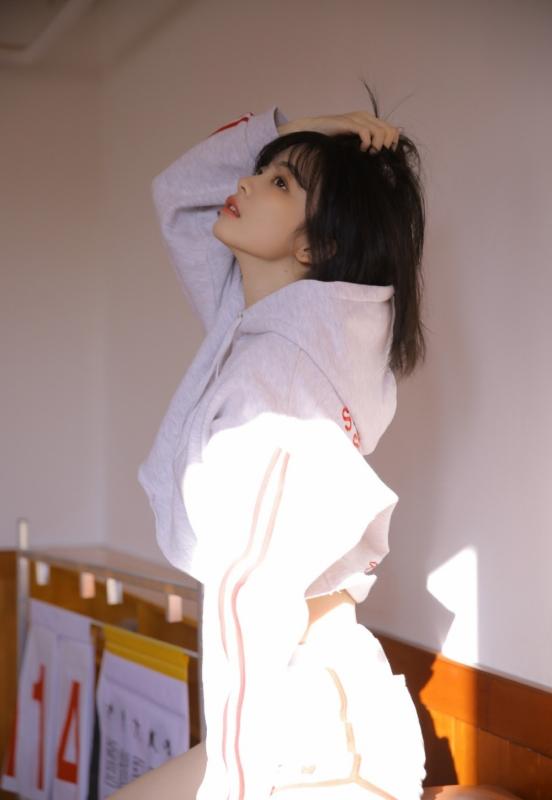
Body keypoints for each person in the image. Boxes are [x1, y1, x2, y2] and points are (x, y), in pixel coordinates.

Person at [119, 82, 428, 799]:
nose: (246, 183)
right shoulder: (259, 322)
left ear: (316, 244)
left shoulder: (279, 383)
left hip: (315, 724)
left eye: (280, 183)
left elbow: (250, 600)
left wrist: (234, 784)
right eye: (260, 170)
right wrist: (297, 132)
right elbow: (178, 196)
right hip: (298, 702)